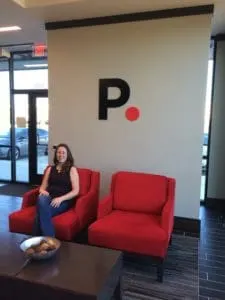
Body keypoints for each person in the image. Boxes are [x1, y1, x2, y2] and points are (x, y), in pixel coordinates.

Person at [33, 143, 79, 237]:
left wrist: (60, 199)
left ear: (67, 155)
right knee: (41, 198)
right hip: (49, 197)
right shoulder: (50, 169)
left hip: (63, 201)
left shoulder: (72, 169)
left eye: (63, 153)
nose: (61, 155)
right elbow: (42, 187)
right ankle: (49, 241)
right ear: (56, 154)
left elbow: (76, 191)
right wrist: (42, 191)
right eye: (59, 152)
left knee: (40, 214)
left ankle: (39, 239)